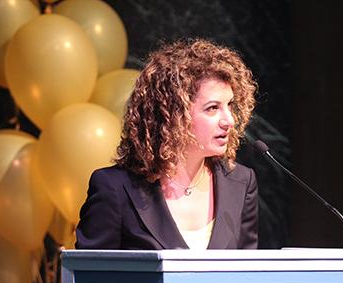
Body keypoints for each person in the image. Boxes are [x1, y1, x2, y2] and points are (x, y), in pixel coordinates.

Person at [75, 38, 258, 250]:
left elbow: (247, 276)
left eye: (229, 105)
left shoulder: (240, 184)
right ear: (172, 115)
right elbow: (91, 278)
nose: (229, 121)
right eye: (212, 108)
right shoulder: (115, 188)